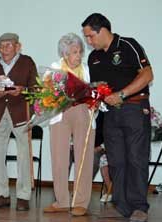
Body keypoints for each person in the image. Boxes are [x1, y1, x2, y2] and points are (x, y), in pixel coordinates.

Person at [82, 13, 154, 222]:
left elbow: (148, 74)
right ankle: (121, 205)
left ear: (102, 30)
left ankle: (139, 207)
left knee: (136, 158)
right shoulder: (93, 57)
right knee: (116, 161)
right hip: (109, 115)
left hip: (134, 109)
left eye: (90, 36)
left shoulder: (128, 45)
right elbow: (97, 88)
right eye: (86, 37)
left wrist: (122, 94)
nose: (88, 41)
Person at [43, 33, 95, 216]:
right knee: (59, 158)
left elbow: (93, 92)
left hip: (82, 111)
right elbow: (46, 94)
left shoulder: (86, 69)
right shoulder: (55, 68)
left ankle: (81, 202)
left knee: (84, 157)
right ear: (65, 53)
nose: (79, 55)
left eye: (80, 51)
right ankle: (62, 201)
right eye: (75, 52)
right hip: (60, 114)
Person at [0, 33, 37, 211]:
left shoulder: (27, 62)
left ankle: (23, 196)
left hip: (21, 113)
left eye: (8, 45)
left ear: (18, 46)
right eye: (0, 46)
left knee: (24, 154)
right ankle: (0, 195)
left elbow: (36, 89)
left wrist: (22, 91)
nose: (4, 49)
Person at [92, 111, 112, 203]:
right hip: (85, 148)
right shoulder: (83, 114)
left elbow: (110, 136)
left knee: (95, 158)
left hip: (103, 148)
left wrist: (100, 147)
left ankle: (110, 190)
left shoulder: (105, 115)